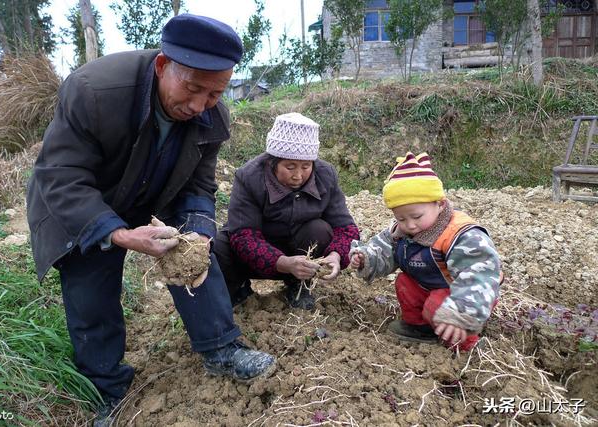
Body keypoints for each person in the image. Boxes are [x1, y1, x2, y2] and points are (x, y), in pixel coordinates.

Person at [26, 14, 275, 425]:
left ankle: (220, 349)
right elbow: (61, 176)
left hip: (153, 188)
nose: (199, 106)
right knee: (91, 284)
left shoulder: (213, 117)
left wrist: (198, 230)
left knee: (193, 251)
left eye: (215, 93)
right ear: (163, 66)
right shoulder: (93, 91)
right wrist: (119, 232)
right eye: (192, 89)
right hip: (82, 198)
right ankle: (106, 389)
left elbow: (199, 186)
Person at [349, 152, 502, 352]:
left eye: (416, 216)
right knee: (405, 283)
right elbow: (384, 248)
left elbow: (479, 275)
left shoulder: (461, 234)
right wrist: (366, 258)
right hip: (428, 286)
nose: (410, 225)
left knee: (436, 306)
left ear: (439, 204)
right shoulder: (401, 232)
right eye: (401, 219)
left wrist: (461, 311)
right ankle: (419, 329)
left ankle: (464, 345)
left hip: (464, 294)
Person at [214, 113, 360, 310]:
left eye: (306, 167)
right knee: (220, 246)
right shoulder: (249, 176)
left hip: (300, 252)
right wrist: (283, 262)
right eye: (290, 167)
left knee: (319, 229)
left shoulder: (326, 175)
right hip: (257, 255)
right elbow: (243, 236)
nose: (298, 176)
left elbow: (346, 228)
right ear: (272, 162)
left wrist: (336, 255)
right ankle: (238, 288)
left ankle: (299, 285)